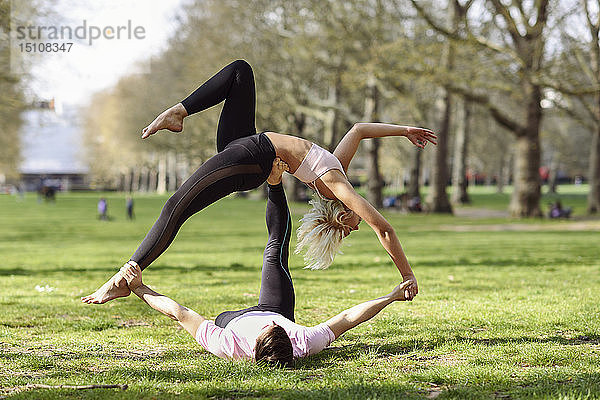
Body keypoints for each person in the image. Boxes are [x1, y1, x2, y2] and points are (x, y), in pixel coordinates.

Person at [82, 60, 435, 305]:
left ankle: (125, 276)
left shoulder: (335, 186)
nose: (359, 225)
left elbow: (383, 229)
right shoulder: (336, 173)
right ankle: (179, 112)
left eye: (349, 230)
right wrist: (403, 130)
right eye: (356, 227)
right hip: (246, 143)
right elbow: (358, 130)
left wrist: (406, 275)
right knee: (240, 72)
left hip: (253, 156)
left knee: (176, 206)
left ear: (341, 215)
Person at [117, 160, 413, 367]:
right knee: (275, 251)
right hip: (276, 305)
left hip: (232, 319)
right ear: (290, 340)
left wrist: (141, 288)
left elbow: (179, 313)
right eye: (278, 328)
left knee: (216, 312)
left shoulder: (228, 344)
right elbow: (349, 318)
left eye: (269, 328)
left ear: (254, 345)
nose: (270, 324)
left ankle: (273, 184)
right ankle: (275, 184)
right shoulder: (303, 341)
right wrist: (392, 296)